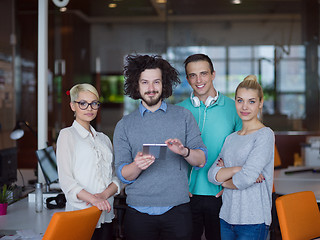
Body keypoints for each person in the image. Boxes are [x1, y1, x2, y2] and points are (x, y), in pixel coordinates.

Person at [113, 54, 207, 240]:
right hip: (138, 214)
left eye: (156, 82)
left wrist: (184, 152)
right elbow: (123, 174)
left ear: (164, 84)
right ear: (136, 85)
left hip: (178, 211)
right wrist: (137, 165)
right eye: (145, 82)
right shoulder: (124, 125)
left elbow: (202, 160)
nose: (151, 88)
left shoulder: (184, 116)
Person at [177, 53, 242, 240]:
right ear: (187, 78)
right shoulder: (178, 111)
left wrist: (231, 184)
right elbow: (171, 153)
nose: (199, 80)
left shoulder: (234, 108)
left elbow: (243, 149)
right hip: (187, 195)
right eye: (192, 75)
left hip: (221, 194)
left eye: (204, 73)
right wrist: (178, 185)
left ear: (213, 74)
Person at [208, 75, 274, 240]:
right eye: (240, 100)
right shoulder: (231, 138)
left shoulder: (265, 135)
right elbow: (211, 174)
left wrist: (225, 179)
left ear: (260, 103)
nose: (244, 107)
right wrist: (238, 169)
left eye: (251, 101)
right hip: (226, 217)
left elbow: (245, 179)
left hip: (253, 221)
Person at [56, 83, 120, 240]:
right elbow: (66, 181)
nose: (89, 108)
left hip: (106, 212)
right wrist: (94, 200)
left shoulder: (104, 139)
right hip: (81, 214)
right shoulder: (67, 135)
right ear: (73, 106)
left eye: (94, 103)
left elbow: (115, 177)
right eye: (83, 103)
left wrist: (103, 197)